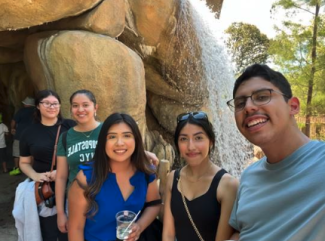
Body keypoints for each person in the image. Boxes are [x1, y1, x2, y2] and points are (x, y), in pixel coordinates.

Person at [226, 64, 325, 241]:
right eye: (240, 103)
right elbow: (240, 231)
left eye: (262, 96)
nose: (248, 107)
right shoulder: (249, 176)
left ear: (293, 106)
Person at [55, 90, 160, 235]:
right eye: (112, 137)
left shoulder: (146, 172)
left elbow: (154, 204)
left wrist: (140, 226)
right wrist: (60, 212)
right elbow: (76, 229)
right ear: (103, 141)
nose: (119, 143)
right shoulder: (84, 178)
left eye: (127, 136)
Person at [163, 111, 238, 241]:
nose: (191, 146)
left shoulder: (227, 185)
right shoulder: (173, 178)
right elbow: (168, 235)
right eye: (183, 139)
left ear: (211, 142)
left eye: (198, 138)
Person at [19, 89, 76, 241]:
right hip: (45, 190)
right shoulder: (28, 132)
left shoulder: (71, 126)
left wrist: (63, 171)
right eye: (47, 103)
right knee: (49, 232)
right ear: (37, 106)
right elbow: (24, 162)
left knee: (71, 231)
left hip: (72, 186)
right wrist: (36, 175)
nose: (52, 107)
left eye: (55, 103)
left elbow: (86, 152)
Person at [56, 89, 102, 233]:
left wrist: (145, 153)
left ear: (95, 107)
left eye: (85, 105)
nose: (80, 109)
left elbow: (125, 148)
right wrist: (61, 213)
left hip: (105, 196)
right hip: (76, 200)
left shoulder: (108, 131)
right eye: (75, 106)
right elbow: (61, 176)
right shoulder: (65, 137)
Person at [10, 96, 35, 176]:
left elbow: (13, 121)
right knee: (32, 152)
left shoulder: (21, 111)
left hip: (19, 135)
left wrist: (12, 128)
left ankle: (16, 169)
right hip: (32, 135)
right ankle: (32, 168)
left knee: (16, 152)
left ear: (25, 104)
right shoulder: (36, 111)